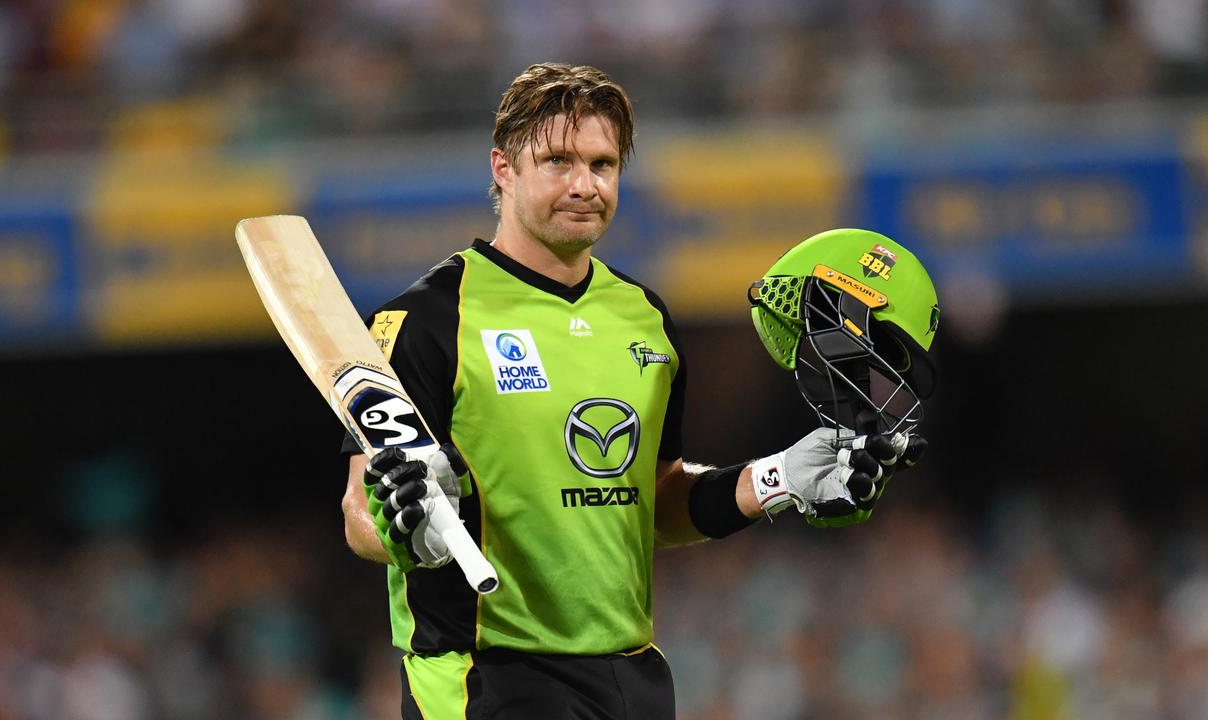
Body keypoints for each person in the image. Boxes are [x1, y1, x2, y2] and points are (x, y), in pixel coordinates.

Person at [340, 63, 936, 720]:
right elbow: (359, 513)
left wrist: (780, 478)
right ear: (503, 168)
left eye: (602, 164)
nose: (583, 185)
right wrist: (410, 532)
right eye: (558, 161)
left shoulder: (644, 317)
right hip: (486, 676)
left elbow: (653, 501)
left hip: (632, 680)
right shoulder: (424, 321)